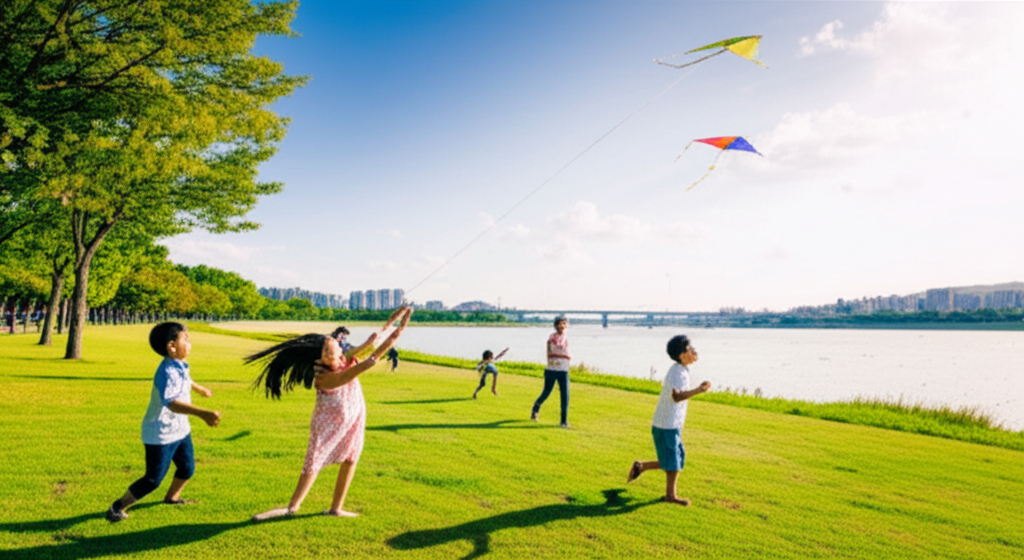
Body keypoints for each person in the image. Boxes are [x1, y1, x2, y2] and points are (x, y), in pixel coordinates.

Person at [251, 306, 412, 520]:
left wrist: (395, 320)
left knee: (351, 457)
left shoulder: (343, 359)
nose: (331, 351)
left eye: (333, 347)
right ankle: (292, 506)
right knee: (314, 460)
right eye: (326, 351)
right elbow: (371, 359)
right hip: (330, 422)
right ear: (322, 358)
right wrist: (398, 332)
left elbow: (372, 341)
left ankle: (336, 507)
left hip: (353, 415)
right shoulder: (325, 377)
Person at [105, 323, 221, 522]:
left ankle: (172, 497)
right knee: (152, 479)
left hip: (180, 429)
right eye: (185, 339)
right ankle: (117, 507)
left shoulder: (179, 365)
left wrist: (199, 389)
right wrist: (203, 414)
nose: (190, 344)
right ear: (172, 346)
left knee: (187, 468)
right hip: (161, 433)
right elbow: (172, 403)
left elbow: (186, 379)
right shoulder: (167, 372)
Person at [626, 334, 711, 506]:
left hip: (673, 424)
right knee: (673, 460)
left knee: (676, 457)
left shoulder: (682, 370)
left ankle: (641, 466)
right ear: (681, 354)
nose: (694, 351)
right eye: (689, 348)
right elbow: (677, 397)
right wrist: (699, 390)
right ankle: (670, 496)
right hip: (666, 424)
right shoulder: (677, 372)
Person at [531, 317, 571, 428]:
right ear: (556, 326)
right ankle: (536, 407)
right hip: (552, 370)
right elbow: (555, 346)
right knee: (546, 392)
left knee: (565, 395)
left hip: (563, 370)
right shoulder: (553, 338)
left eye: (564, 324)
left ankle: (563, 421)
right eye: (560, 324)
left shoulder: (565, 338)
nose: (563, 326)